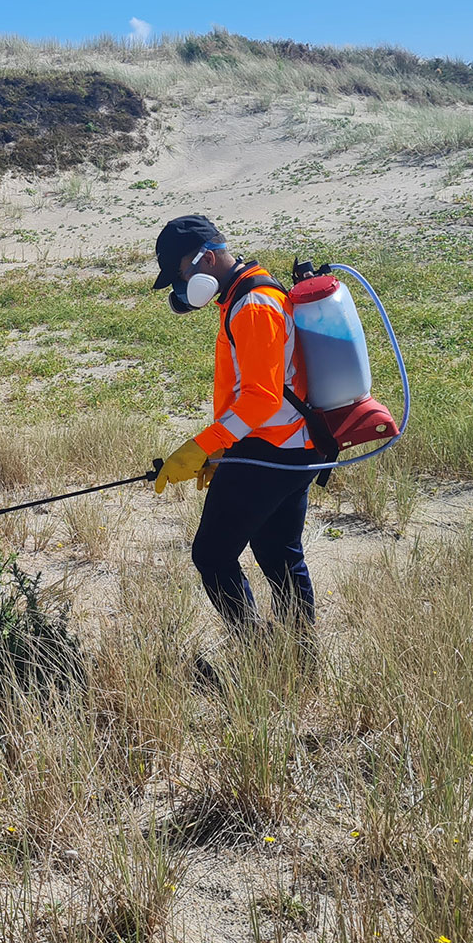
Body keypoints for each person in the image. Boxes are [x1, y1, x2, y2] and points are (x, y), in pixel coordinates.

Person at [149, 214, 320, 634]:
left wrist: (204, 447)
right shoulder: (245, 294)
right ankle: (299, 656)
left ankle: (256, 650)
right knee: (278, 552)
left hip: (269, 452)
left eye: (180, 274)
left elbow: (263, 397)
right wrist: (223, 449)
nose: (180, 288)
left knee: (212, 555)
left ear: (205, 259)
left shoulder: (253, 305)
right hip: (290, 448)